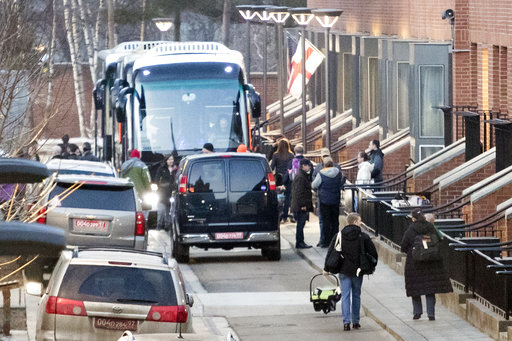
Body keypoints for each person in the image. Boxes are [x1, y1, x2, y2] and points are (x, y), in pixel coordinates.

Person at [324, 213, 378, 331]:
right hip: (358, 270)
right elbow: (373, 253)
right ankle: (356, 321)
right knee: (357, 295)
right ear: (354, 222)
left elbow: (330, 251)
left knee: (345, 296)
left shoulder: (339, 235)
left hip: (343, 270)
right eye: (359, 221)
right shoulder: (363, 236)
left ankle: (346, 322)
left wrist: (326, 269)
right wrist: (372, 265)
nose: (361, 223)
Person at [400, 209, 452, 321]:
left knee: (415, 288)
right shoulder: (430, 227)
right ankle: (431, 314)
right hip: (431, 262)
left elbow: (403, 246)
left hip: (414, 263)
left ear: (413, 218)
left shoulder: (410, 230)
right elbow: (439, 240)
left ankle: (417, 312)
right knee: (430, 289)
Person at [312, 148, 342, 246]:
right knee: (335, 222)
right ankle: (335, 241)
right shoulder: (338, 170)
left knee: (325, 221)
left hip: (324, 200)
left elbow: (314, 184)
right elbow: (341, 182)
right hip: (335, 199)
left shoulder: (320, 171)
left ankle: (325, 241)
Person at [290, 158, 313, 249]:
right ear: (303, 166)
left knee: (301, 223)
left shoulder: (301, 175)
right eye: (308, 165)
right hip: (301, 205)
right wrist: (303, 205)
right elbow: (299, 192)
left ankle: (300, 241)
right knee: (301, 223)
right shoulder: (301, 177)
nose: (309, 167)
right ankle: (299, 242)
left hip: (300, 204)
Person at [270, 138, 294, 223]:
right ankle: (285, 215)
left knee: (279, 196)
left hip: (279, 178)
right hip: (288, 178)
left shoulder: (275, 155)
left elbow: (272, 167)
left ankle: (279, 213)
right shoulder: (291, 155)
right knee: (288, 197)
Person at [154, 153, 179, 230]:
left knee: (170, 210)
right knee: (161, 210)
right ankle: (159, 224)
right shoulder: (161, 169)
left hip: (172, 192)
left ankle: (168, 225)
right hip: (162, 193)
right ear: (166, 160)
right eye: (169, 159)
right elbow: (156, 180)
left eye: (172, 159)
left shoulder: (176, 169)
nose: (171, 161)